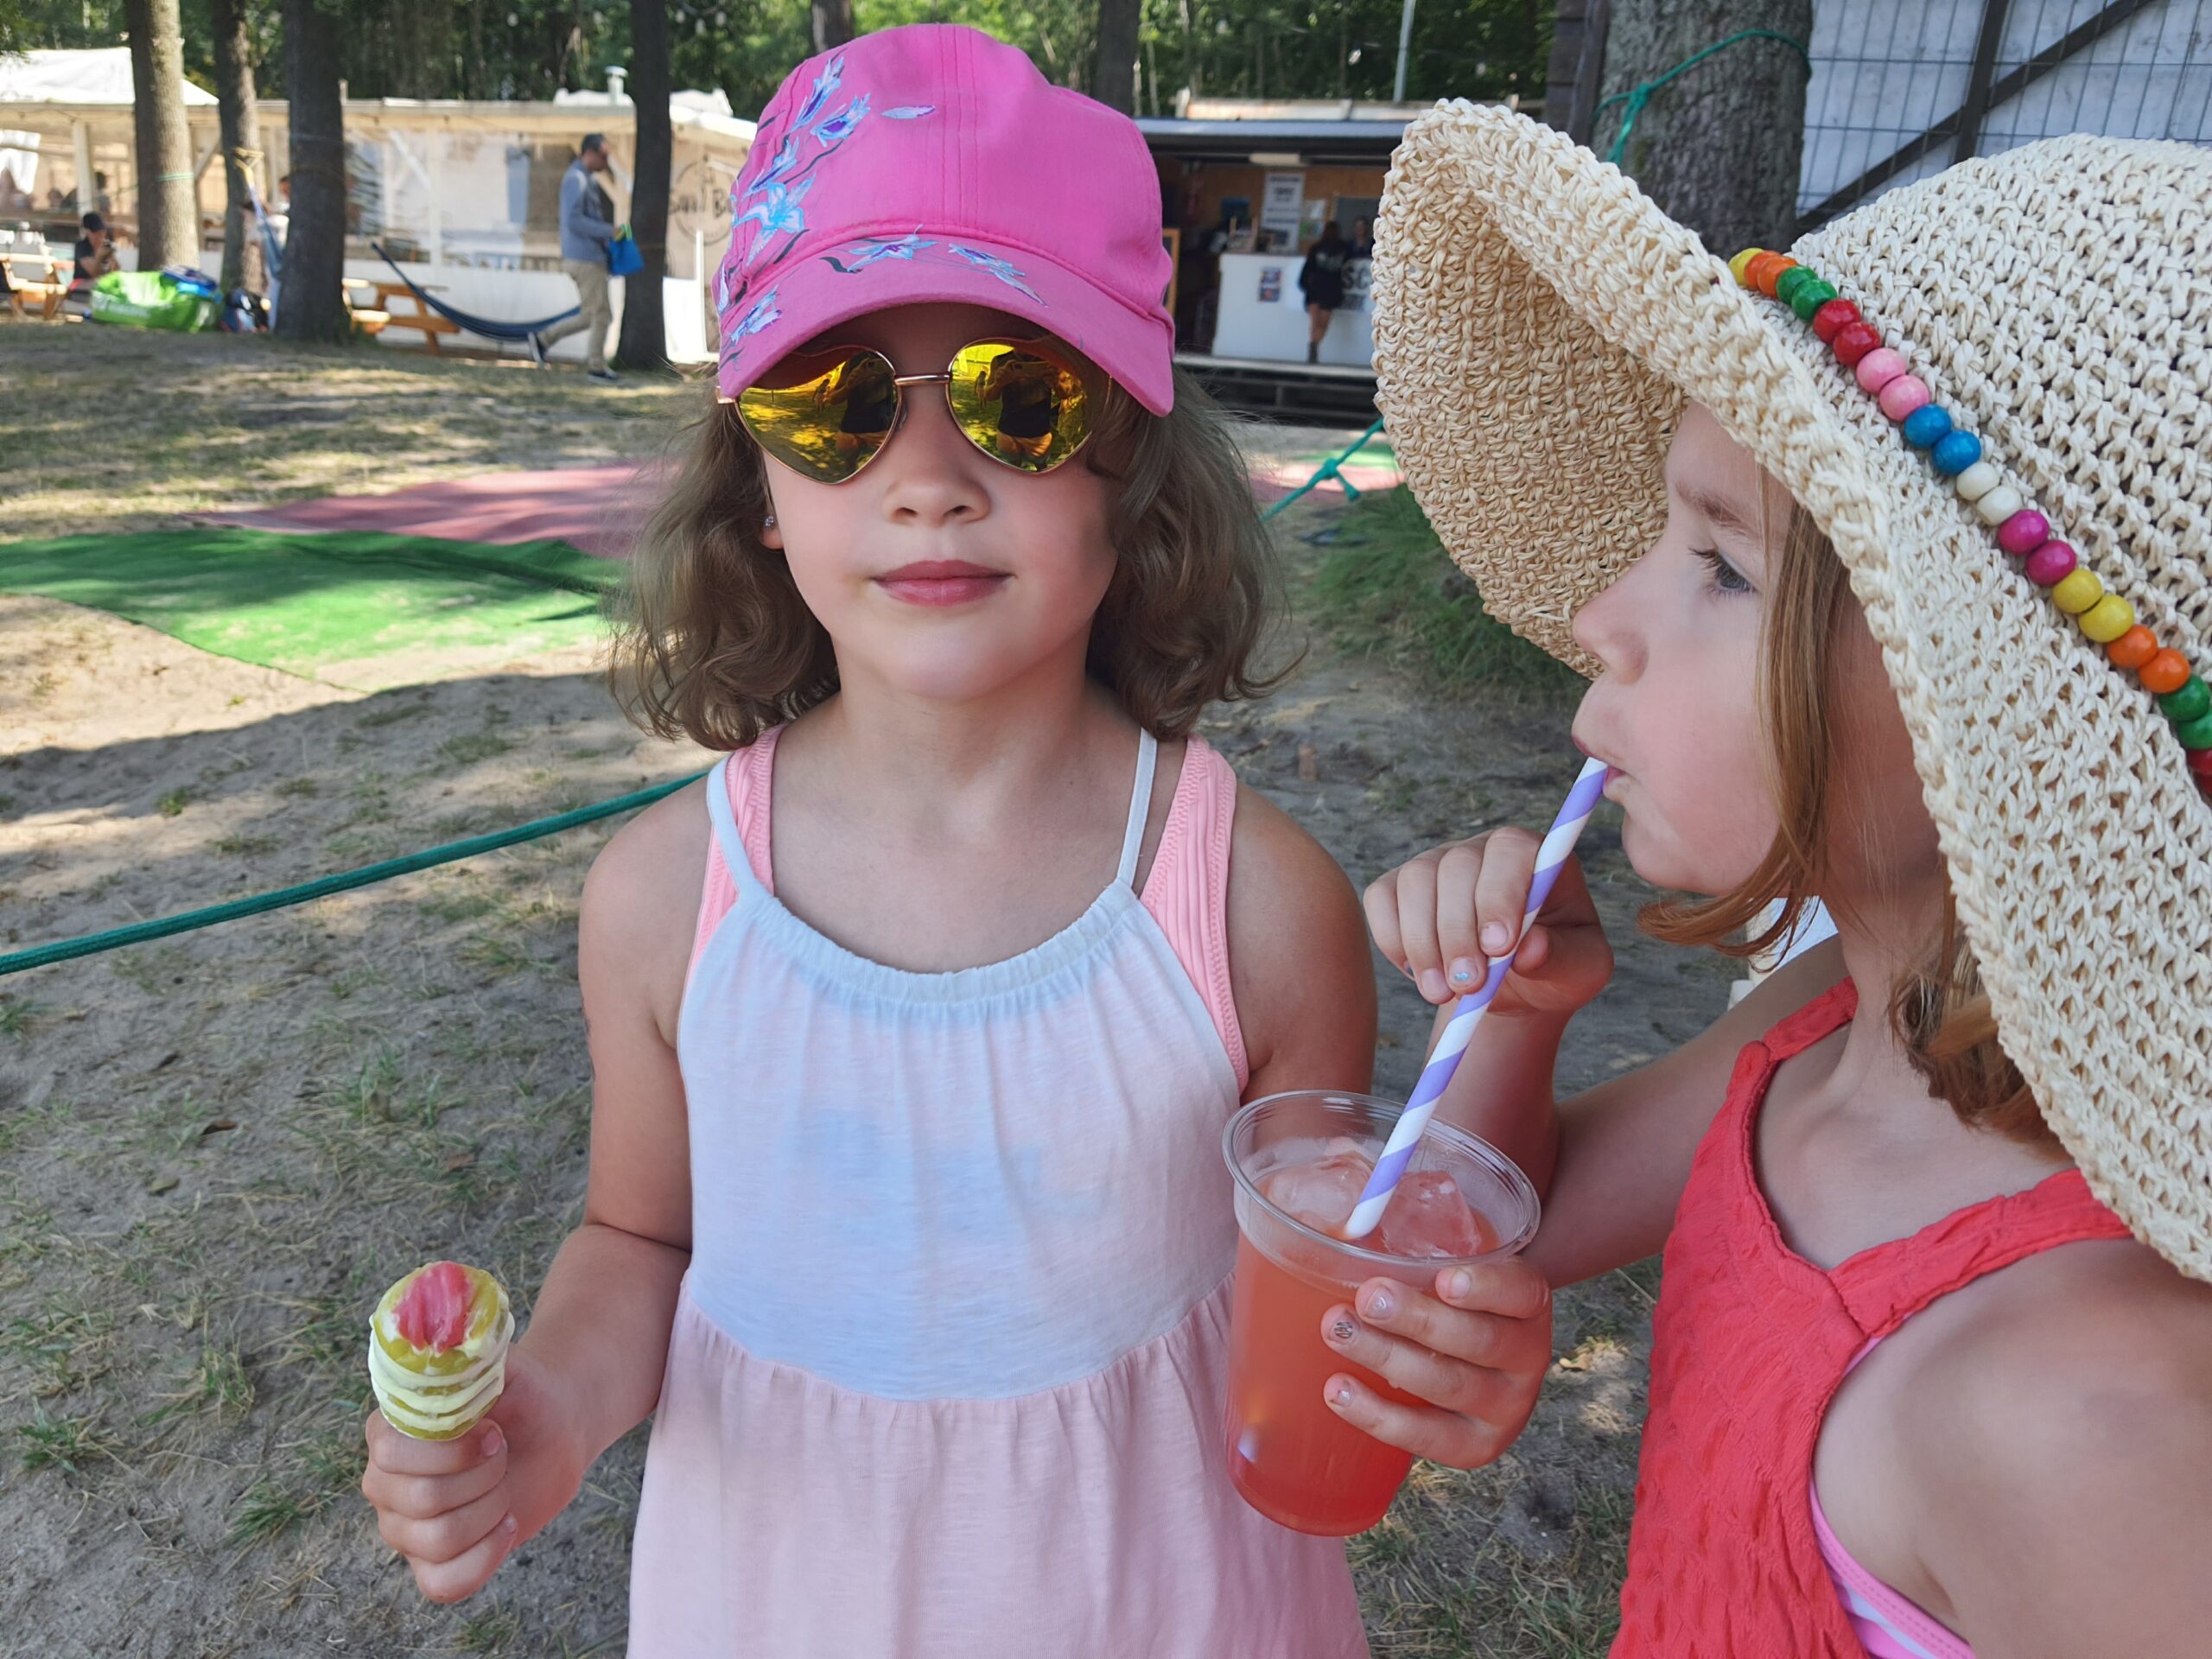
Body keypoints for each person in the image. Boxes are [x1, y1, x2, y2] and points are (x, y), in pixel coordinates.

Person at [358, 27, 1549, 1656]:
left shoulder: (1260, 911)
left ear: (1132, 465)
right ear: (757, 486)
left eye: (1021, 398)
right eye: (833, 403)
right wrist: (550, 1413)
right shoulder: (659, 900)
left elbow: (1320, 1290)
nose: (928, 480)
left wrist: (1422, 1352)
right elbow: (639, 1237)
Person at [1365, 109, 2212, 1655]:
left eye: (1723, 564)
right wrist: (1514, 1013)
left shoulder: (2082, 1418)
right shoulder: (1836, 1026)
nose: (1603, 615)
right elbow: (1518, 1221)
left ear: (2010, 722)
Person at [533, 132, 619, 383]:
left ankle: (543, 339)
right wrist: (609, 231)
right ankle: (596, 367)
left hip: (589, 257)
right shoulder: (576, 179)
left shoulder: (585, 178)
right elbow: (574, 221)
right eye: (603, 156)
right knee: (601, 314)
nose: (605, 162)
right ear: (589, 153)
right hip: (584, 259)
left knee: (592, 315)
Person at [1297, 219, 1351, 365]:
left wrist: (1304, 285)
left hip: (1315, 287)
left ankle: (1313, 345)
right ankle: (1314, 345)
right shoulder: (1343, 248)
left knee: (1315, 322)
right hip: (1331, 289)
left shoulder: (1316, 248)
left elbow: (1307, 268)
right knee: (1323, 323)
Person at [66, 210, 116, 315]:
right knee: (98, 282)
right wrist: (99, 256)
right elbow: (93, 272)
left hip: (100, 289)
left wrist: (111, 257)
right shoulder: (82, 247)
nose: (99, 236)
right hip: (80, 288)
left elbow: (115, 271)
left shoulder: (106, 246)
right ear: (87, 232)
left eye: (102, 232)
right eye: (95, 233)